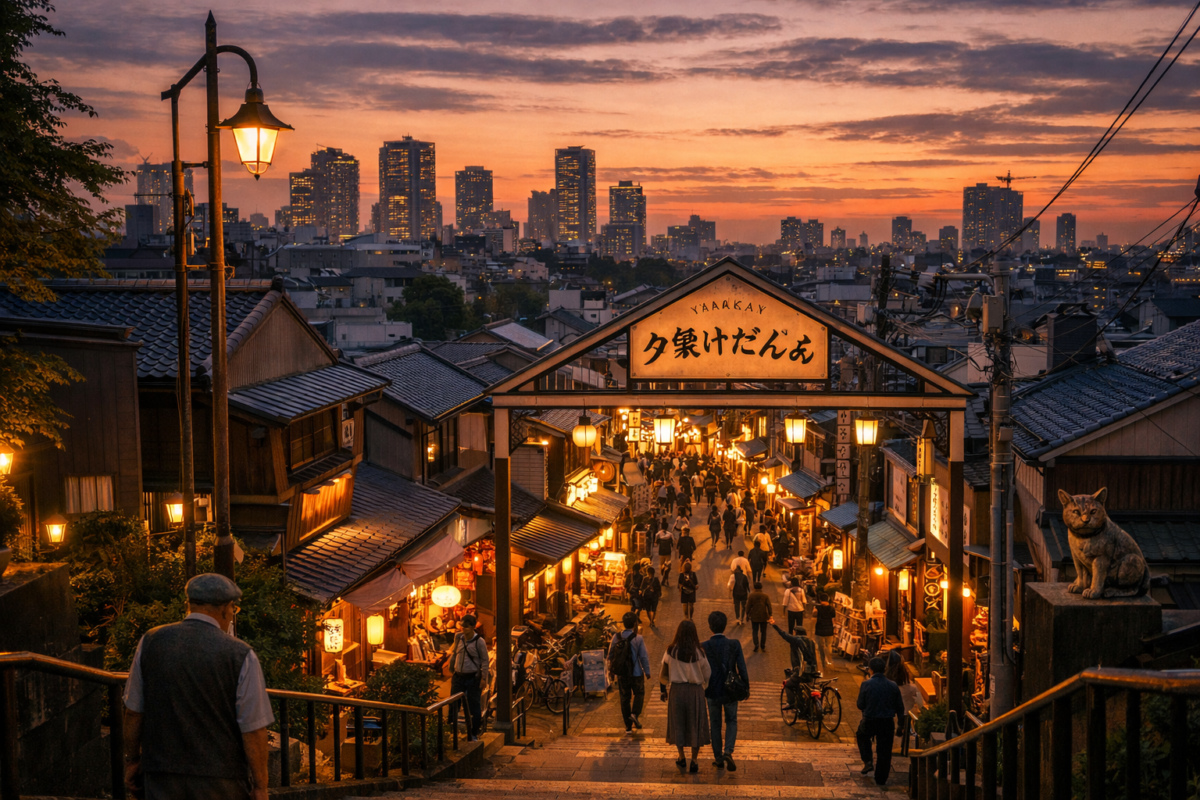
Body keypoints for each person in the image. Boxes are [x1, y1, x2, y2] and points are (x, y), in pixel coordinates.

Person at [123, 574, 272, 800]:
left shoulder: (151, 641)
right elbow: (253, 728)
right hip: (220, 778)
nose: (232, 615)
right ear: (225, 608)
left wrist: (133, 760)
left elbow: (133, 711)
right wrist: (260, 786)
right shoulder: (240, 654)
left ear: (189, 605)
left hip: (161, 773)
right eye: (233, 609)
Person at [660, 619, 712, 773]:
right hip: (695, 691)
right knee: (696, 723)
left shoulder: (670, 651)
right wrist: (704, 686)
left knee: (678, 723)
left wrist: (663, 690)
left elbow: (663, 672)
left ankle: (681, 757)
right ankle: (694, 760)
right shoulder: (699, 653)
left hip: (676, 690)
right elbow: (708, 673)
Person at [701, 611, 748, 772]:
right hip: (730, 690)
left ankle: (718, 758)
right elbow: (741, 667)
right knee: (731, 720)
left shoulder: (704, 646)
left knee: (715, 723)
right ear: (725, 625)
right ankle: (728, 750)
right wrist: (746, 687)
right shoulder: (734, 644)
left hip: (712, 690)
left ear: (710, 626)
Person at [856, 656, 906, 785]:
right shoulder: (893, 685)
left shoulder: (866, 684)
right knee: (884, 750)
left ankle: (867, 761)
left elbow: (860, 704)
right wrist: (901, 723)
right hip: (887, 721)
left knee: (862, 736)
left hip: (870, 719)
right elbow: (900, 706)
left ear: (870, 670)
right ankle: (881, 778)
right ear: (885, 669)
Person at [607, 611, 652, 733]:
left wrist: (611, 671)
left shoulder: (616, 637)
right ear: (634, 624)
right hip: (636, 673)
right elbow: (643, 656)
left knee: (624, 698)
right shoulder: (638, 638)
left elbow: (610, 655)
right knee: (639, 693)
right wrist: (647, 671)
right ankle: (635, 714)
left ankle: (628, 727)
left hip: (622, 674)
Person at [448, 614, 490, 741]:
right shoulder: (458, 637)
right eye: (462, 626)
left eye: (466, 627)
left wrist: (484, 679)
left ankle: (473, 733)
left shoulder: (479, 642)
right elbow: (455, 652)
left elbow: (485, 661)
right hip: (458, 676)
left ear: (472, 627)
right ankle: (451, 732)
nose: (463, 629)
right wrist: (452, 667)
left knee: (473, 705)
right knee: (453, 704)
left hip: (473, 677)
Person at [768, 617, 819, 708]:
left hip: (801, 671)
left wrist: (774, 624)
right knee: (804, 686)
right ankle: (804, 705)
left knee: (787, 684)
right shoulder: (811, 641)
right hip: (813, 671)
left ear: (796, 633)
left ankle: (791, 702)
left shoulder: (796, 640)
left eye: (794, 632)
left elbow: (783, 634)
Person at [746, 582, 772, 652]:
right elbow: (769, 606)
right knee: (763, 632)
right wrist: (770, 615)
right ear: (761, 587)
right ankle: (762, 645)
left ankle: (756, 644)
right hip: (764, 616)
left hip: (754, 616)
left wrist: (747, 614)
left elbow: (748, 606)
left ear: (754, 587)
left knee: (755, 631)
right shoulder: (765, 596)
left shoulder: (751, 596)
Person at [814, 592, 837, 673]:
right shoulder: (832, 609)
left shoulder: (817, 607)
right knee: (829, 646)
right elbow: (833, 620)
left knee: (820, 648)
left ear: (820, 600)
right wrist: (835, 630)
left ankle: (823, 662)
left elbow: (813, 615)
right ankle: (829, 661)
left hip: (819, 630)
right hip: (829, 630)